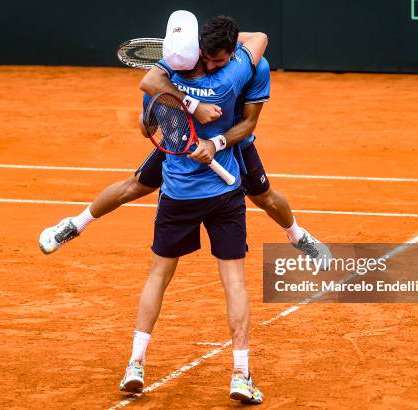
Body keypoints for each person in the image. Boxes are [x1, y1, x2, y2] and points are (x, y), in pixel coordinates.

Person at [38, 23, 330, 261]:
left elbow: (249, 123)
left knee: (263, 197)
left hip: (233, 144)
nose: (212, 66)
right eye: (208, 58)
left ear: (234, 52)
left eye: (220, 60)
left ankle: (297, 236)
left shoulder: (255, 68)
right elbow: (150, 98)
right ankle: (74, 224)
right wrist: (154, 120)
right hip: (182, 139)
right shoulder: (184, 62)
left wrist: (216, 143)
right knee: (135, 186)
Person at [116, 11, 265, 403]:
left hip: (178, 194)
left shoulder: (161, 82)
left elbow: (147, 128)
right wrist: (214, 141)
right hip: (223, 192)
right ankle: (241, 373)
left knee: (158, 277)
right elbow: (259, 39)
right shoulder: (232, 77)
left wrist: (174, 107)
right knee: (234, 282)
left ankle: (135, 363)